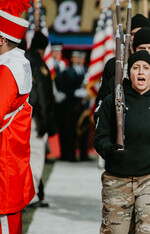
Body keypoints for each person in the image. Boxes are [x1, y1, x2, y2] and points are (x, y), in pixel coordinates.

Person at [94, 50, 150, 233]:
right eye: (136, 68)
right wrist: (110, 150)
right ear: (129, 73)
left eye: (145, 68)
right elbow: (100, 138)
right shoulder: (112, 102)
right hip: (118, 179)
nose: (141, 72)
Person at [0, 7, 35, 233]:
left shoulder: (6, 69)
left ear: (1, 39)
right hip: (11, 153)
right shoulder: (17, 62)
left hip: (3, 155)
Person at [25, 31, 58, 208]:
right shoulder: (39, 65)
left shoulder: (23, 59)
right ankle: (32, 195)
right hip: (35, 117)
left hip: (21, 117)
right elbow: (41, 98)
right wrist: (46, 122)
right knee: (35, 156)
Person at [55, 51, 90, 162]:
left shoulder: (87, 72)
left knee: (85, 131)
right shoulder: (67, 72)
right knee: (71, 131)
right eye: (76, 57)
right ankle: (71, 155)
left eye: (81, 58)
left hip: (84, 107)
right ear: (72, 58)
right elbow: (64, 88)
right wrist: (75, 92)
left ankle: (84, 154)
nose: (79, 60)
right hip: (72, 107)